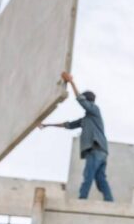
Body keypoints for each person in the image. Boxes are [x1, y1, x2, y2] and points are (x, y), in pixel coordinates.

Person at [40, 71, 114, 202]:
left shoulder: (95, 110)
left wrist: (71, 82)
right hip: (102, 151)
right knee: (100, 179)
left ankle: (82, 199)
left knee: (88, 175)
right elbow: (68, 125)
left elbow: (81, 100)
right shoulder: (86, 119)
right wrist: (47, 125)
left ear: (88, 101)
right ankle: (109, 200)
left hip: (95, 149)